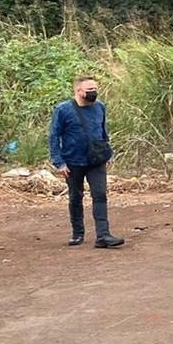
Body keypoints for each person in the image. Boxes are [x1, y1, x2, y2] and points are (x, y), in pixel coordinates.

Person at [49, 75, 123, 248]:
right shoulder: (63, 109)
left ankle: (103, 236)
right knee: (76, 197)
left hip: (96, 160)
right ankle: (77, 233)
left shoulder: (100, 107)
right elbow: (54, 136)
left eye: (95, 89)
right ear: (78, 91)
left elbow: (103, 132)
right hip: (73, 161)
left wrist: (108, 152)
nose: (93, 93)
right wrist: (58, 162)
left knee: (100, 195)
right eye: (89, 90)